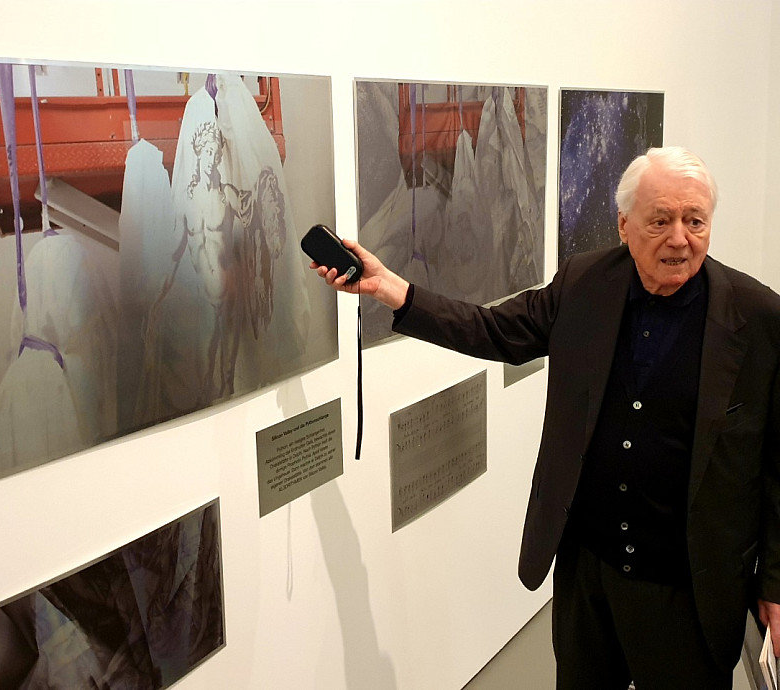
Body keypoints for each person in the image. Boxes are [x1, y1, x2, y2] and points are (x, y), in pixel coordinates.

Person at [312, 146, 780, 689]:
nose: (680, 238)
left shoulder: (757, 318)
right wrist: (392, 290)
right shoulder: (584, 283)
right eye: (661, 221)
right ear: (624, 226)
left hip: (689, 590)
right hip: (588, 577)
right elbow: (494, 330)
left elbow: (777, 464)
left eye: (695, 221)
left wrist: (774, 583)